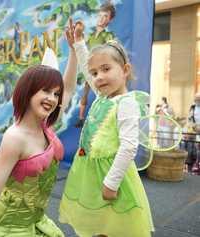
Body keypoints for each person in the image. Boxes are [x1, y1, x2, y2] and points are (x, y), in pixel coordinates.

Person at [0, 38, 78, 236]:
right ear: (28, 91)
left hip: (35, 221)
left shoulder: (45, 126)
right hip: (10, 227)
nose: (53, 99)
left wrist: (73, 50)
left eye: (56, 94)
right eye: (46, 90)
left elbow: (70, 88)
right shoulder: (15, 137)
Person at [59, 19, 154, 237]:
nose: (99, 77)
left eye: (106, 69)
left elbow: (129, 146)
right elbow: (85, 67)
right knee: (101, 220)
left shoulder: (126, 103)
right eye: (95, 73)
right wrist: (79, 43)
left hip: (112, 175)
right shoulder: (103, 95)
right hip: (91, 172)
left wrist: (111, 183)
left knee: (115, 223)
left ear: (125, 70)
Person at [75, 2, 116, 128]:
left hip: (99, 71)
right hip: (88, 68)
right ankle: (81, 118)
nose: (102, 18)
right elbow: (83, 49)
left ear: (110, 19)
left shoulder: (108, 36)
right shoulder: (91, 35)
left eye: (106, 16)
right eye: (100, 15)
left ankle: (102, 119)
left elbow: (110, 55)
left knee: (102, 94)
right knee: (85, 93)